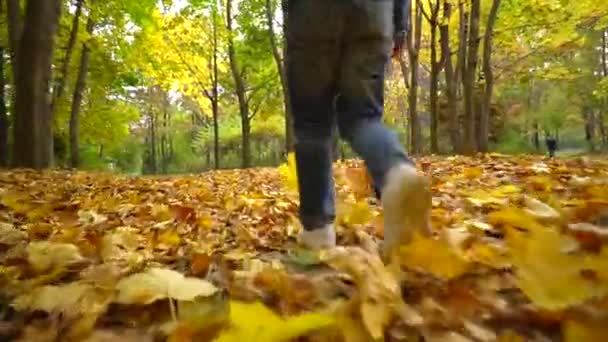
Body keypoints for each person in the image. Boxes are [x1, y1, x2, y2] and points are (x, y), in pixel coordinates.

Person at [286, 0, 432, 260]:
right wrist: (399, 28)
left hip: (311, 15)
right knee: (363, 116)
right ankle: (395, 171)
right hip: (375, 13)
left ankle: (317, 229)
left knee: (312, 124)